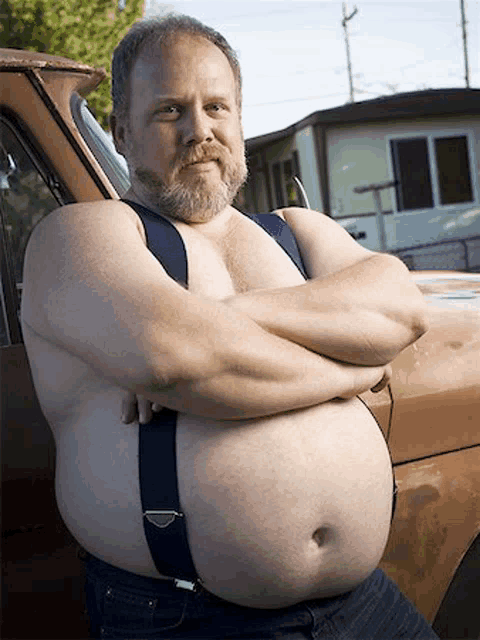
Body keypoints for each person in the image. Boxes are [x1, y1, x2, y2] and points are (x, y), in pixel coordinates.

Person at [20, 13, 437, 640]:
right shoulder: (84, 234)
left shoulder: (299, 231)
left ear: (239, 121)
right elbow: (182, 360)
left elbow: (402, 311)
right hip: (192, 619)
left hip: (365, 606)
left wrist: (232, 316)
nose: (200, 130)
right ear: (122, 133)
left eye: (217, 106)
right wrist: (363, 365)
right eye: (169, 111)